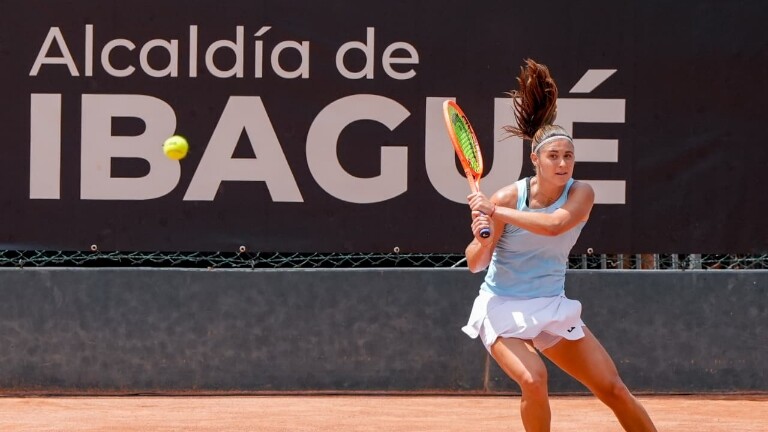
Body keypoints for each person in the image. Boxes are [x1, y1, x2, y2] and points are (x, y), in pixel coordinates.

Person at [461, 59, 658, 432]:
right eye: (553, 156)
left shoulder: (581, 192)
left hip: (551, 305)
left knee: (613, 388)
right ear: (535, 160)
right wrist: (482, 231)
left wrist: (497, 211)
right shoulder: (507, 196)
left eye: (568, 155)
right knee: (533, 379)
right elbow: (475, 263)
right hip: (502, 307)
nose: (563, 162)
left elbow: (555, 226)